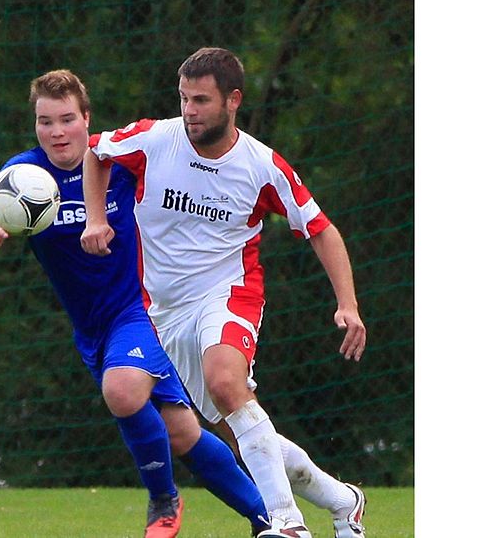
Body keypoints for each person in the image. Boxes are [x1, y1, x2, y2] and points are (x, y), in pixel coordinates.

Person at [0, 69, 271, 538]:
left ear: (87, 119)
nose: (56, 132)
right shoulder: (23, 176)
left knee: (123, 390)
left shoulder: (120, 164)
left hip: (144, 309)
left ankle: (164, 502)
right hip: (93, 327)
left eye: (67, 119)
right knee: (181, 433)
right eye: (45, 122)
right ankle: (269, 518)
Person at [80, 47, 367, 538]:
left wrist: (348, 305)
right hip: (167, 314)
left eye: (201, 100)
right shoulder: (154, 139)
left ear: (232, 100)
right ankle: (344, 501)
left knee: (227, 383)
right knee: (243, 433)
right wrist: (96, 218)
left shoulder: (261, 165)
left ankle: (287, 523)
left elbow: (321, 228)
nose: (189, 110)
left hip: (230, 293)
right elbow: (95, 150)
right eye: (184, 98)